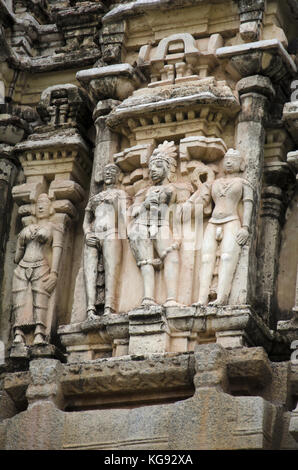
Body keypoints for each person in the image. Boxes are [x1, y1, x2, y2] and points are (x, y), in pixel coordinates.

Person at [128, 140, 186, 307]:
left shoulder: (172, 189)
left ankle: (171, 298)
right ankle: (148, 298)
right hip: (141, 227)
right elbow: (133, 211)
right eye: (151, 167)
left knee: (171, 256)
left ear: (168, 169)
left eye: (158, 166)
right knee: (146, 262)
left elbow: (172, 204)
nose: (152, 170)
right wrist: (145, 204)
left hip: (161, 225)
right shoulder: (144, 192)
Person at [195, 148, 254, 306]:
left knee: (227, 257)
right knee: (207, 259)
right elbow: (203, 201)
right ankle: (201, 299)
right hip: (213, 222)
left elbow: (248, 205)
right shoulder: (215, 182)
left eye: (233, 160)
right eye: (226, 159)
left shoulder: (243, 183)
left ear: (241, 165)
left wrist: (246, 227)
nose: (228, 162)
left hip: (232, 221)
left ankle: (221, 297)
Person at [12, 193, 63, 345]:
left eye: (45, 203)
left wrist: (54, 274)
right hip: (22, 267)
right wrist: (21, 240)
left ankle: (40, 332)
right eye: (38, 203)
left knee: (40, 299)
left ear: (51, 208)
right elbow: (16, 258)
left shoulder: (55, 228)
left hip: (41, 266)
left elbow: (57, 250)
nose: (41, 206)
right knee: (20, 300)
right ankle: (19, 333)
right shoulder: (28, 228)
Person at [83, 163, 128, 319]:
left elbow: (123, 216)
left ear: (118, 176)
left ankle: (109, 307)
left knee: (111, 269)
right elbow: (87, 220)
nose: (108, 174)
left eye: (112, 171)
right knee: (90, 270)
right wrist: (87, 233)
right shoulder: (95, 198)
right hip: (94, 234)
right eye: (106, 171)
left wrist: (113, 201)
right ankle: (90, 309)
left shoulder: (119, 193)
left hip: (111, 233)